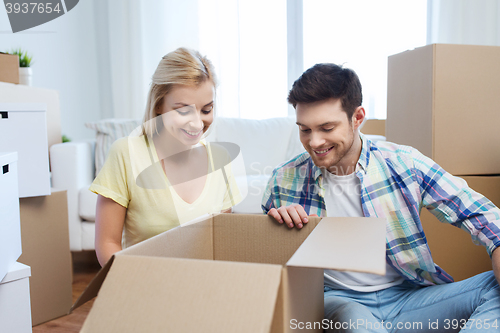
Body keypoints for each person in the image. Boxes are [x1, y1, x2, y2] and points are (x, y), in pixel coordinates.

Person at [262, 63, 500, 332]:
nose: (314, 142)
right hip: (342, 302)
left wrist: (497, 243)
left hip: (408, 299)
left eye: (327, 128)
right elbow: (261, 272)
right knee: (355, 322)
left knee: (493, 289)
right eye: (305, 129)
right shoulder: (283, 181)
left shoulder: (403, 163)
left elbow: (480, 212)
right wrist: (277, 230)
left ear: (357, 117)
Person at [92, 48, 241, 267]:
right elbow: (107, 243)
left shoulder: (220, 158)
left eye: (206, 109)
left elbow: (224, 242)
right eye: (183, 111)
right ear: (159, 104)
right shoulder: (126, 153)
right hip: (146, 288)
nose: (197, 123)